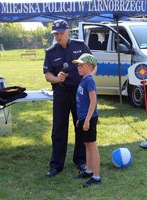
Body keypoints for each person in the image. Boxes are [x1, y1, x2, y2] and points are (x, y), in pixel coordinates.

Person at [43, 19, 91, 178]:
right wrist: (57, 79)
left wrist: (87, 78)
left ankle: (81, 160)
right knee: (58, 129)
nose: (58, 36)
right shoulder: (51, 52)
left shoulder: (80, 46)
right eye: (55, 33)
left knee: (81, 126)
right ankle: (56, 164)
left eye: (61, 33)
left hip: (79, 93)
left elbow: (92, 65)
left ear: (69, 31)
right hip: (61, 93)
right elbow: (47, 74)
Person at [73, 53, 101, 187]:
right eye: (78, 65)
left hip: (89, 118)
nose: (78, 67)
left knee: (92, 146)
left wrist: (87, 120)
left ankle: (96, 176)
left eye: (81, 65)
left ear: (89, 66)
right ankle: (89, 170)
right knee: (87, 145)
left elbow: (93, 101)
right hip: (83, 118)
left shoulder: (89, 80)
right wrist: (81, 118)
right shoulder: (84, 79)